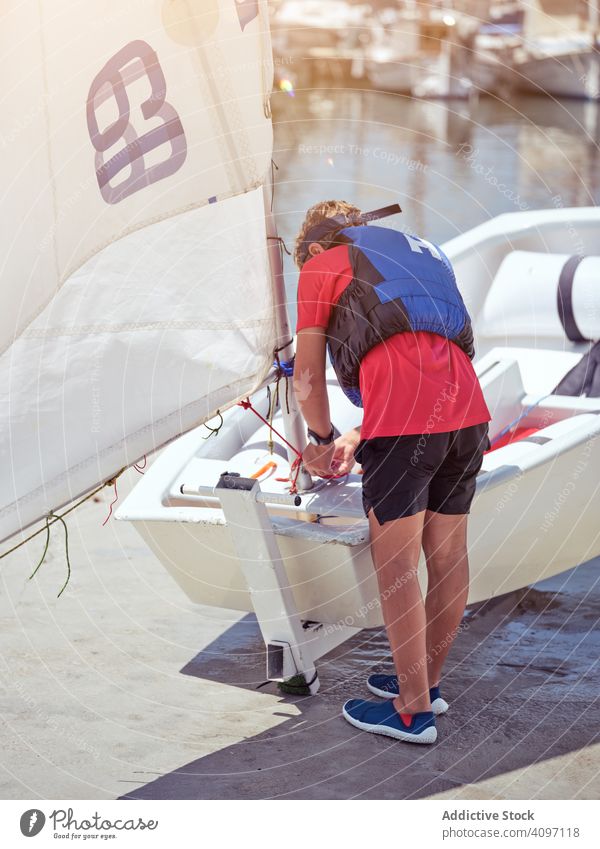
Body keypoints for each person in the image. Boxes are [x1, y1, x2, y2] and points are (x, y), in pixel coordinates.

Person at [292, 199, 491, 744]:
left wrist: (322, 438)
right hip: (468, 411)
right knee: (448, 557)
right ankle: (426, 681)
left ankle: (411, 711)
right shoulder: (423, 252)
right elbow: (422, 347)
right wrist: (359, 436)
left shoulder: (320, 263)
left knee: (396, 564)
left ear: (313, 246)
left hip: (408, 419)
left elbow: (307, 377)